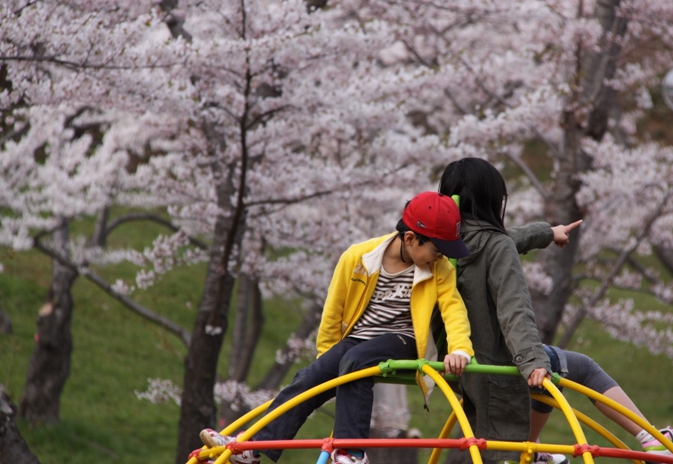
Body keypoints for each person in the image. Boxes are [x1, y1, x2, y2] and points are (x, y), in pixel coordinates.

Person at [199, 192, 475, 464]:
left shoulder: (440, 270)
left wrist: (460, 349)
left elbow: (453, 309)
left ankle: (352, 453)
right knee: (309, 378)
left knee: (356, 360)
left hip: (402, 340)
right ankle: (253, 447)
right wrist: (327, 362)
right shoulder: (359, 257)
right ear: (411, 239)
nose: (440, 258)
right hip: (356, 341)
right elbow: (333, 313)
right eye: (437, 251)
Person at [436, 157, 580, 464]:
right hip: (497, 369)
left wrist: (546, 232)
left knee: (474, 446)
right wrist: (532, 360)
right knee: (583, 368)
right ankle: (652, 438)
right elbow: (515, 309)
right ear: (492, 200)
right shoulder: (495, 245)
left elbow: (499, 241)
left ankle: (538, 452)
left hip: (455, 366)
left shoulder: (438, 244)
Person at [530, 345, 673, 464]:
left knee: (546, 376)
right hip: (510, 353)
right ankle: (653, 439)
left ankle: (531, 451)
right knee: (581, 368)